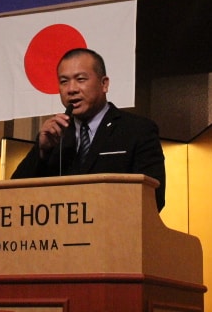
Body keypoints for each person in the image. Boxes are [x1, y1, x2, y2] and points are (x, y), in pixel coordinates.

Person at [11, 48, 166, 211]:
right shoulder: (55, 135)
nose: (71, 89)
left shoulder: (138, 130)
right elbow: (13, 196)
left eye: (80, 79)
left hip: (113, 225)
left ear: (104, 84)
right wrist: (41, 152)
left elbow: (153, 198)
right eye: (64, 81)